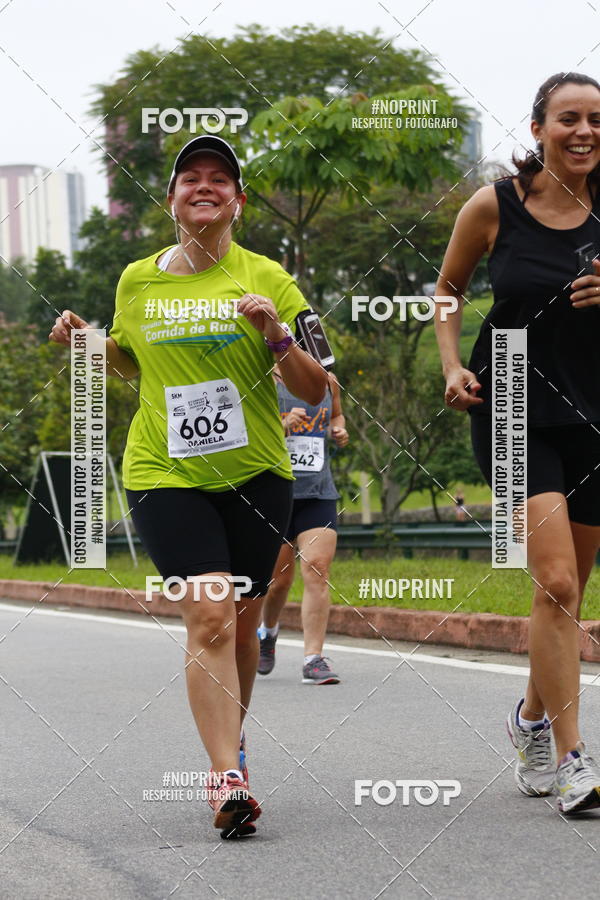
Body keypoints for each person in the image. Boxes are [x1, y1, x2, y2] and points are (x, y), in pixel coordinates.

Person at [50, 134, 327, 837]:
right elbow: (130, 365)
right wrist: (88, 342)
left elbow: (318, 387)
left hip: (258, 473)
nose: (204, 186)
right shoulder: (137, 279)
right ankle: (225, 777)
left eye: (220, 179)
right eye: (190, 178)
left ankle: (230, 742)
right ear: (171, 199)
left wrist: (276, 337)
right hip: (163, 470)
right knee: (206, 612)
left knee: (237, 621)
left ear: (237, 200)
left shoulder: (271, 278)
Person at [434, 73, 600, 815]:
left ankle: (530, 718)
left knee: (566, 596)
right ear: (539, 128)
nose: (584, 132)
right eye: (569, 119)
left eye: (597, 120)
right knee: (558, 585)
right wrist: (449, 363)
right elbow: (447, 289)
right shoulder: (495, 205)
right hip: (512, 405)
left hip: (594, 412)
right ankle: (573, 762)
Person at [257, 367, 348, 684]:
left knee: (318, 567)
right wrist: (281, 426)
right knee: (278, 582)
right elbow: (247, 435)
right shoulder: (259, 377)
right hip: (275, 493)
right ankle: (267, 633)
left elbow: (336, 416)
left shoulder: (326, 380)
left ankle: (314, 659)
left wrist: (339, 430)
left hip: (317, 491)